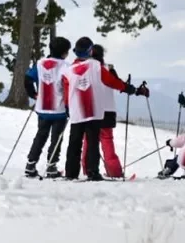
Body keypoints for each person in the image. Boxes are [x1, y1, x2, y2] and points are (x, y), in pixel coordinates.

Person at [62, 37, 146, 181]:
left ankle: (71, 173)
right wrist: (129, 89)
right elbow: (112, 82)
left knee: (75, 142)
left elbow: (66, 90)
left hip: (76, 112)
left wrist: (67, 107)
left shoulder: (69, 70)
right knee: (95, 142)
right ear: (91, 50)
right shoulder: (96, 66)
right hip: (93, 112)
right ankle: (93, 172)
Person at [23, 36, 72, 179]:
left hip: (43, 108)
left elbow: (27, 79)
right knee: (56, 139)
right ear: (64, 52)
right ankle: (51, 166)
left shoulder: (40, 63)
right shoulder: (65, 66)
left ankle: (30, 164)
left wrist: (33, 94)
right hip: (60, 109)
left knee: (40, 136)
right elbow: (69, 85)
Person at [84, 44, 128, 179]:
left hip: (91, 110)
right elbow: (118, 84)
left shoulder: (84, 69)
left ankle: (87, 169)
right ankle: (114, 171)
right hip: (108, 111)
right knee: (107, 141)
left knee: (88, 141)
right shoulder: (108, 69)